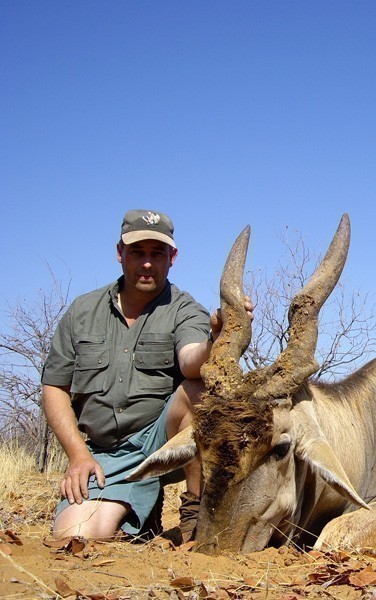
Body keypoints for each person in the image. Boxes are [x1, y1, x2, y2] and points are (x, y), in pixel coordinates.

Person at [41, 209, 245, 543]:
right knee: (76, 535)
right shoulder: (82, 311)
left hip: (163, 445)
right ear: (120, 253)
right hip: (103, 453)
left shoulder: (184, 308)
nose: (147, 263)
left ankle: (196, 516)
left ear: (172, 257)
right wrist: (78, 455)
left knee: (199, 390)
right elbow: (54, 387)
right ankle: (141, 512)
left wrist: (216, 339)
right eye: (137, 252)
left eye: (157, 253)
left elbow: (191, 361)